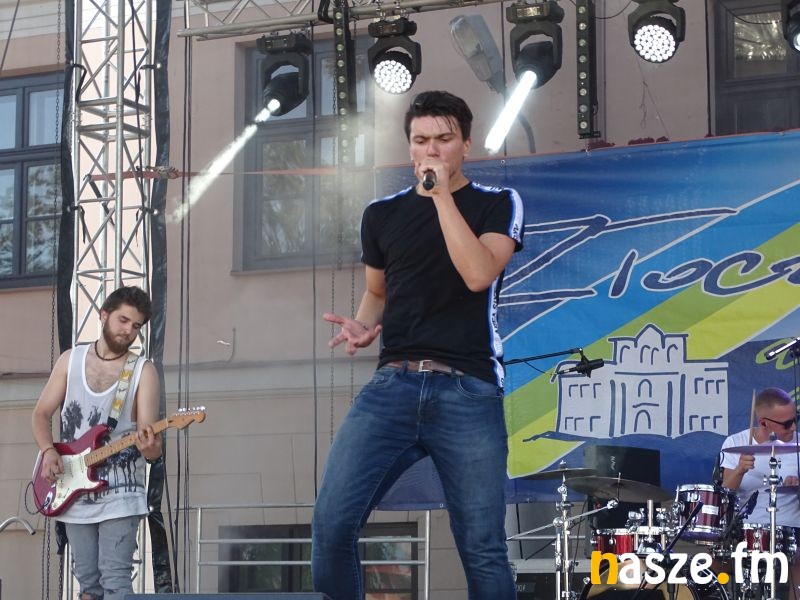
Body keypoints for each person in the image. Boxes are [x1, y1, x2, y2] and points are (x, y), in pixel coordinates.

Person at [311, 90, 524, 600]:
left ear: (466, 144)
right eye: (421, 140)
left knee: (482, 546)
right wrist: (365, 324)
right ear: (409, 146)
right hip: (393, 385)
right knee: (332, 525)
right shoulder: (381, 214)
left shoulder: (498, 203)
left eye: (443, 139)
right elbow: (378, 291)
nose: (431, 150)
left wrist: (442, 196)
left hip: (468, 388)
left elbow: (478, 274)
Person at [32, 286, 161, 600]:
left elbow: (151, 443)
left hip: (121, 492)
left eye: (136, 326)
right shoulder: (70, 360)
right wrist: (49, 451)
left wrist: (151, 448)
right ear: (104, 315)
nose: (129, 331)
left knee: (115, 580)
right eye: (123, 320)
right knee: (89, 584)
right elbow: (40, 414)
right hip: (73, 486)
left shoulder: (143, 371)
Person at [720, 386, 800, 596]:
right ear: (764, 422)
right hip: (748, 531)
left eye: (796, 419)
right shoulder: (736, 443)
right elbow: (724, 494)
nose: (793, 427)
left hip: (793, 529)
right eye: (787, 423)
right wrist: (739, 470)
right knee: (718, 562)